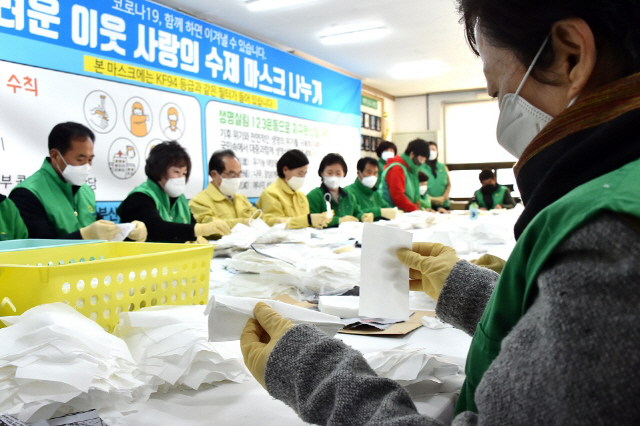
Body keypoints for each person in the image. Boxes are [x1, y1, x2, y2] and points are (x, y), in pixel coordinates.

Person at [240, 0, 640, 424]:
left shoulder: (607, 238)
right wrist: (470, 292)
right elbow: (565, 339)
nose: (502, 113)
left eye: (498, 91)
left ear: (570, 56)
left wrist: (316, 373)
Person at [10, 122, 146, 241]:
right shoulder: (27, 194)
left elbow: (102, 232)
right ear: (55, 156)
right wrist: (83, 236)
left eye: (90, 159)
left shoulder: (85, 190)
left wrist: (129, 233)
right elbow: (38, 248)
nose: (87, 166)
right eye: (80, 160)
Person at [118, 141, 230, 243]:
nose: (181, 178)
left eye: (184, 173)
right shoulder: (139, 197)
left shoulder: (180, 199)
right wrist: (201, 229)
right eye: (176, 172)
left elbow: (192, 225)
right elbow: (156, 229)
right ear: (158, 171)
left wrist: (198, 238)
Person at [189, 149, 282, 228]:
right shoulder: (199, 201)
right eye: (232, 175)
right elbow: (209, 226)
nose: (236, 179)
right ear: (214, 174)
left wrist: (281, 221)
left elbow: (260, 218)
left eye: (239, 174)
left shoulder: (241, 199)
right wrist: (244, 222)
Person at [257, 149, 330, 229]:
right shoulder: (270, 194)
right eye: (300, 173)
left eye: (305, 174)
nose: (302, 177)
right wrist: (308, 220)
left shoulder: (301, 196)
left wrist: (318, 221)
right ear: (285, 170)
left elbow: (305, 224)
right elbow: (274, 224)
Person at [307, 153, 373, 227]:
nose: (334, 177)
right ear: (321, 173)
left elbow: (357, 212)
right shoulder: (314, 195)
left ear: (344, 174)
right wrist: (339, 220)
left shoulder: (349, 195)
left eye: (338, 173)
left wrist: (363, 216)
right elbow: (312, 221)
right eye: (330, 173)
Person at [379, 139, 430, 212]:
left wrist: (422, 209)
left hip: (406, 213)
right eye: (419, 161)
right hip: (393, 214)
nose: (420, 164)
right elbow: (397, 196)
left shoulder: (411, 169)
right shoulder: (397, 168)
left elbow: (415, 197)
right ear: (412, 154)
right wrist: (416, 211)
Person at [421, 141, 451, 210]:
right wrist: (431, 199)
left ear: (437, 152)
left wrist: (444, 197)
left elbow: (449, 185)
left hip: (444, 204)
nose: (431, 152)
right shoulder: (421, 167)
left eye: (433, 149)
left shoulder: (443, 167)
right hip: (428, 205)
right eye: (429, 150)